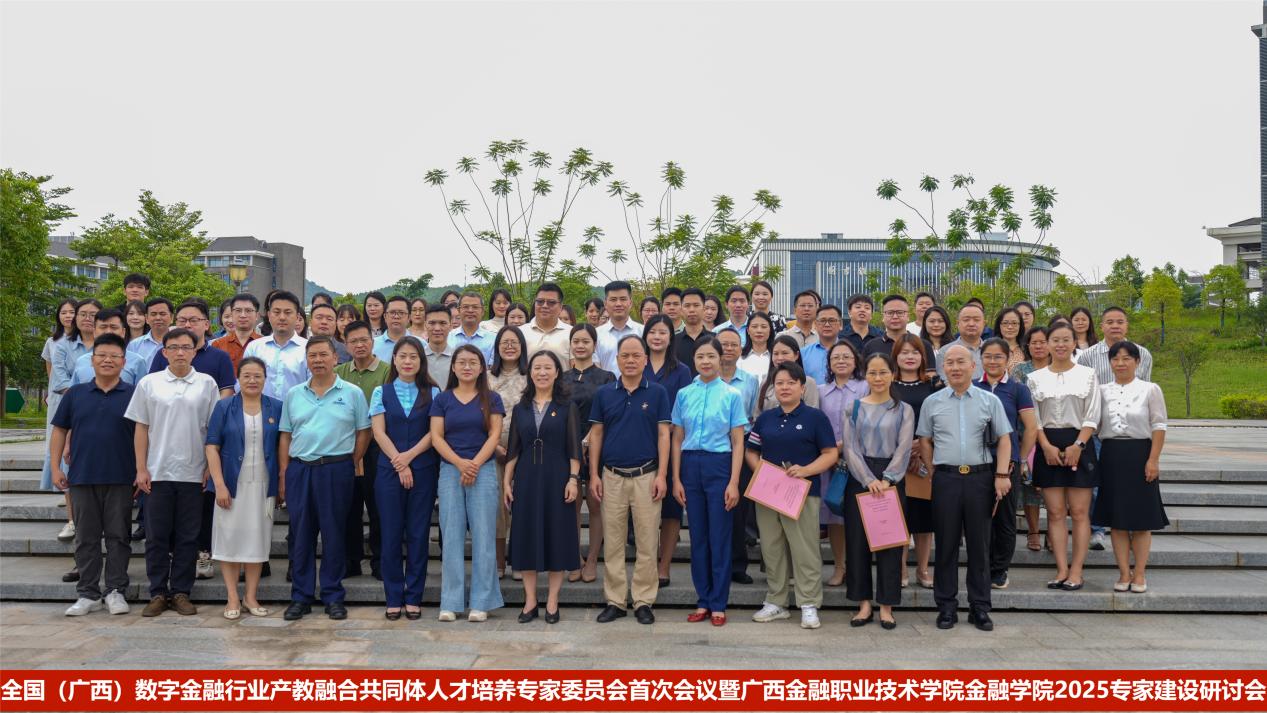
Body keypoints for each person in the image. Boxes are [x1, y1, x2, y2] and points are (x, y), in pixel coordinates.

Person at [917, 345, 1013, 631]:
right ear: (943, 368)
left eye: (961, 362)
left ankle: (979, 607)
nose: (955, 367)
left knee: (979, 545)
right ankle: (946, 607)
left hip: (980, 479)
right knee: (946, 545)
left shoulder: (989, 400)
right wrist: (933, 470)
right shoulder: (932, 402)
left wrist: (1001, 474)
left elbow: (1004, 439)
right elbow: (925, 440)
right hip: (946, 479)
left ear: (973, 366)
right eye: (950, 363)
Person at [126, 328, 221, 617]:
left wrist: (209, 467)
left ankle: (181, 592)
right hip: (157, 472)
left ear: (194, 351)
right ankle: (157, 592)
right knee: (156, 536)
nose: (180, 352)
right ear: (164, 352)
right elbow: (141, 427)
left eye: (186, 347)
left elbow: (213, 431)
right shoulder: (149, 383)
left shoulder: (207, 384)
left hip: (193, 473)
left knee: (188, 536)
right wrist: (141, 468)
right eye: (174, 347)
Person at [278, 336, 372, 621]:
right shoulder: (294, 394)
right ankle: (301, 596)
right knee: (301, 534)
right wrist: (284, 473)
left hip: (336, 469)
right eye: (312, 356)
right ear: (306, 361)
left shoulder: (352, 393)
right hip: (300, 469)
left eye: (323, 355)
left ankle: (332, 595)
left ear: (335, 358)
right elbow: (285, 435)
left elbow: (364, 431)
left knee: (334, 533)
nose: (318, 360)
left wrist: (352, 461)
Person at [746, 362, 838, 629]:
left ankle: (808, 603)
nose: (784, 388)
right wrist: (762, 471)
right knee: (771, 547)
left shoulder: (815, 418)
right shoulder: (766, 418)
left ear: (802, 387)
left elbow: (830, 453)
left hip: (802, 493)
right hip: (768, 492)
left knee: (804, 549)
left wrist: (806, 470)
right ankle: (776, 601)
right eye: (779, 383)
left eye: (790, 383)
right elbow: (752, 451)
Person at [49, 333, 136, 617]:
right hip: (82, 476)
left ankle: (115, 590)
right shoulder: (75, 394)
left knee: (118, 536)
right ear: (92, 359)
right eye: (102, 355)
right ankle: (88, 593)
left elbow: (145, 434)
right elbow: (60, 430)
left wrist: (142, 470)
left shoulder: (135, 394)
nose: (107, 360)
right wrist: (55, 467)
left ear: (123, 361)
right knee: (86, 537)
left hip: (122, 476)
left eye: (114, 356)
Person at [590, 335, 671, 625]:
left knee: (647, 541)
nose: (631, 360)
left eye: (637, 355)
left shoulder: (658, 392)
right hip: (611, 476)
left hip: (646, 475)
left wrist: (662, 475)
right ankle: (615, 600)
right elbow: (596, 435)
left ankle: (643, 600)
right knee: (613, 542)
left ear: (645, 360)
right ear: (617, 360)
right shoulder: (604, 394)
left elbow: (664, 435)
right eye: (625, 356)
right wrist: (594, 474)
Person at [669, 337, 747, 626]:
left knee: (719, 536)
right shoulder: (684, 394)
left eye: (711, 356)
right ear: (694, 360)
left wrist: (734, 482)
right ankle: (703, 599)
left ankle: (718, 603)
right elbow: (677, 438)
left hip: (719, 466)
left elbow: (738, 441)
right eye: (700, 356)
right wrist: (676, 478)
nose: (705, 361)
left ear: (720, 358)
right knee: (698, 537)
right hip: (690, 466)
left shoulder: (731, 395)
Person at [503, 351, 582, 624]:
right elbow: (513, 448)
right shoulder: (521, 408)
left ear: (557, 372)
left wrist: (573, 479)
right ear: (530, 373)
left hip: (557, 479)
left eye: (548, 368)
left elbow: (574, 447)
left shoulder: (567, 406)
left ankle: (552, 601)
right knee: (526, 537)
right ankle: (530, 601)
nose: (542, 372)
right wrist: (507, 482)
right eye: (537, 368)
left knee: (557, 537)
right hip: (526, 479)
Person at [430, 345, 505, 621]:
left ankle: (482, 602)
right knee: (451, 536)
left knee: (484, 536)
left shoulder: (492, 398)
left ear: (482, 367)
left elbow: (494, 435)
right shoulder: (443, 399)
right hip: (451, 470)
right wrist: (460, 463)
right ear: (453, 367)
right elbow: (436, 437)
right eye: (461, 362)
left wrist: (473, 464)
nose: (467, 367)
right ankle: (450, 602)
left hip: (483, 470)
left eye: (473, 362)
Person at [840, 353, 914, 630]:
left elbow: (904, 447)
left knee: (889, 543)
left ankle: (886, 605)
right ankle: (863, 604)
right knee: (857, 542)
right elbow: (850, 448)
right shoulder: (853, 407)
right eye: (872, 372)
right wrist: (868, 479)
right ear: (865, 375)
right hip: (859, 479)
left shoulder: (904, 409)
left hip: (891, 478)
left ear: (893, 374)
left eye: (883, 372)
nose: (878, 378)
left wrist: (888, 478)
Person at [369, 336, 440, 620]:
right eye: (403, 356)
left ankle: (414, 596)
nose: (408, 361)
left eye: (414, 357)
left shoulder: (433, 392)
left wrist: (408, 458)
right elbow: (378, 432)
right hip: (389, 471)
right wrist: (399, 463)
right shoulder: (381, 392)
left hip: (423, 470)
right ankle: (393, 596)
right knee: (390, 534)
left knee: (418, 534)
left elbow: (435, 434)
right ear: (394, 360)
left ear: (421, 361)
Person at [205, 357, 281, 620]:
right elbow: (211, 446)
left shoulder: (276, 407)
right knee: (230, 540)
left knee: (257, 541)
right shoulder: (224, 406)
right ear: (238, 378)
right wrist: (219, 485)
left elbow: (282, 445)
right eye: (247, 375)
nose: (252, 380)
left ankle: (250, 596)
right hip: (231, 485)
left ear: (265, 379)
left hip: (262, 485)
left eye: (258, 375)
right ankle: (232, 597)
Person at [1028, 323, 1102, 592]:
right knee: (1056, 512)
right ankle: (1061, 569)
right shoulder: (1035, 378)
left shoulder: (1088, 375)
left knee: (1080, 512)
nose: (1060, 345)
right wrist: (1045, 446)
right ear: (1047, 344)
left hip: (1079, 443)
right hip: (1047, 444)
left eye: (1065, 340)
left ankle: (1077, 571)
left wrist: (1079, 445)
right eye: (1055, 340)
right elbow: (1034, 418)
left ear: (1074, 344)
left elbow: (1093, 414)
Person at [1093, 341, 1169, 593]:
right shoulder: (1101, 391)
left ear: (1137, 362)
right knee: (1116, 520)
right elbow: (1093, 424)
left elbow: (1159, 425)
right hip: (1111, 455)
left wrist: (1153, 459)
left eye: (1126, 358)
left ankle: (1140, 573)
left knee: (1141, 520)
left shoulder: (1150, 389)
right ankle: (1124, 572)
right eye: (1115, 359)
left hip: (1140, 454)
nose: (1121, 363)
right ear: (1110, 363)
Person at [975, 338, 1038, 590]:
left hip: (1007, 464)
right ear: (981, 359)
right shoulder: (972, 386)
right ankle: (982, 566)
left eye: (998, 357)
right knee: (980, 518)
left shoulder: (1017, 389)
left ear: (1007, 359)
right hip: (977, 462)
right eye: (988, 356)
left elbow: (1030, 428)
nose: (993, 361)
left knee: (1005, 518)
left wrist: (1019, 457)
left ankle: (999, 569)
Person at [335, 320, 391, 581]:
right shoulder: (339, 372)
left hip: (377, 448)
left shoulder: (387, 371)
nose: (359, 345)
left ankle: (380, 561)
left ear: (372, 341)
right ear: (346, 345)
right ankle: (351, 560)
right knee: (349, 506)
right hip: (345, 447)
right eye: (353, 341)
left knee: (378, 506)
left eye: (364, 340)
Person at [48, 299, 100, 554]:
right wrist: (89, 398)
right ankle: (72, 519)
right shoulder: (62, 346)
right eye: (83, 314)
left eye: (93, 314)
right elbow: (60, 380)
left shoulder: (109, 345)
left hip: (106, 414)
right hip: (72, 413)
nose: (87, 318)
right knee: (71, 467)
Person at [564, 324, 615, 583]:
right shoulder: (561, 378)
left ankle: (593, 558)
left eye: (586, 341)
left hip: (598, 446)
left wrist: (588, 441)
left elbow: (610, 414)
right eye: (576, 341)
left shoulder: (607, 377)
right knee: (571, 503)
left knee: (595, 503)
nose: (580, 345)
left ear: (595, 345)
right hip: (566, 448)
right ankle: (574, 557)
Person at [643, 314, 691, 585]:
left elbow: (684, 409)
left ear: (671, 337)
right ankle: (648, 562)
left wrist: (670, 429)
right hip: (640, 443)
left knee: (671, 509)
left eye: (663, 332)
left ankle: (664, 564)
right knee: (645, 505)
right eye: (653, 332)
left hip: (673, 444)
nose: (657, 337)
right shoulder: (638, 364)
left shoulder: (681, 370)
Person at [891, 333, 941, 589]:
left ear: (923, 356)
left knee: (924, 520)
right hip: (894, 460)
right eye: (904, 352)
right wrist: (903, 448)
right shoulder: (888, 385)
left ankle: (923, 569)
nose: (909, 357)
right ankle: (900, 568)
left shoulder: (933, 386)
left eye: (915, 352)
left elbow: (941, 420)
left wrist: (922, 445)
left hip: (925, 458)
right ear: (895, 357)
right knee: (900, 517)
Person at [818, 339, 867, 586]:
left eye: (846, 356)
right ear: (829, 363)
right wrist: (830, 453)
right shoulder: (820, 391)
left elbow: (869, 423)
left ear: (855, 361)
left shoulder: (865, 388)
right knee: (835, 517)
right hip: (828, 463)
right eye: (835, 357)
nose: (841, 361)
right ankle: (840, 567)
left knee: (858, 517)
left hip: (859, 462)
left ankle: (858, 568)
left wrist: (839, 448)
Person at [715, 327, 759, 584]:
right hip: (713, 448)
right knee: (716, 507)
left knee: (738, 508)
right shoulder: (704, 379)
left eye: (734, 344)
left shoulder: (750, 381)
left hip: (741, 447)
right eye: (724, 344)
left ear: (741, 349)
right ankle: (716, 563)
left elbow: (753, 416)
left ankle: (737, 565)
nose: (729, 349)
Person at [488, 325, 529, 579]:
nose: (510, 346)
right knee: (497, 508)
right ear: (497, 347)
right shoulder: (486, 377)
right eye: (505, 342)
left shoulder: (530, 376)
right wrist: (493, 446)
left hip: (525, 450)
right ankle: (499, 560)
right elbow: (479, 413)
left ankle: (520, 561)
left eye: (514, 342)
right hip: (492, 448)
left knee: (522, 504)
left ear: (522, 346)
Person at [1010, 325, 1050, 551]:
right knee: (1029, 487)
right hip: (1026, 433)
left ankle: (1053, 532)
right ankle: (1033, 531)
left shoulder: (1059, 368)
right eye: (1034, 342)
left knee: (1053, 488)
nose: (1039, 346)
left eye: (1043, 342)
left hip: (1054, 434)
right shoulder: (1020, 371)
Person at [149, 299, 236, 396]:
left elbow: (226, 391)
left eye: (193, 320)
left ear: (206, 325)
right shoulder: (164, 354)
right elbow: (152, 386)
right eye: (182, 321)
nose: (187, 325)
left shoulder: (221, 357)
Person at [242, 291, 309, 401]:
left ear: (297, 317)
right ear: (269, 315)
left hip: (297, 410)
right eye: (277, 312)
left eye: (288, 312)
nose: (282, 317)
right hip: (260, 410)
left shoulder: (308, 349)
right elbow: (243, 383)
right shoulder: (254, 347)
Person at [69, 309, 148, 387]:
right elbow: (74, 392)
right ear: (94, 332)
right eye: (103, 327)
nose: (108, 331)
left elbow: (142, 393)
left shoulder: (137, 362)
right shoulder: (81, 361)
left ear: (123, 332)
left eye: (114, 327)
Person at [1078, 306, 1153, 384]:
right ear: (1102, 327)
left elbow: (1146, 387)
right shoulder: (1087, 356)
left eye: (1120, 322)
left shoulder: (1142, 354)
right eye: (1110, 322)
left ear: (1127, 326)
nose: (1115, 326)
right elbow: (1083, 387)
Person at [757, 335, 822, 413]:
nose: (780, 358)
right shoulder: (765, 382)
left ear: (796, 355)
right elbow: (757, 414)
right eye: (776, 354)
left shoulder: (808, 382)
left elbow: (812, 414)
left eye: (785, 353)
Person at [595, 280, 643, 374]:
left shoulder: (643, 331)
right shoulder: (596, 334)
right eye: (613, 300)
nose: (618, 304)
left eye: (623, 299)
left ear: (630, 303)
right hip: (605, 383)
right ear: (605, 304)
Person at [934, 303, 987, 381]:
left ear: (984, 324)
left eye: (976, 320)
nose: (971, 324)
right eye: (966, 320)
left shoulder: (992, 351)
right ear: (958, 323)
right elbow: (944, 381)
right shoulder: (945, 352)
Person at [524, 282, 571, 364]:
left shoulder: (571, 333)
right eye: (540, 301)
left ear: (560, 307)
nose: (545, 306)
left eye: (551, 302)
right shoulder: (521, 332)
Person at [211, 293, 261, 370]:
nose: (243, 315)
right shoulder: (218, 345)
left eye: (248, 310)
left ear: (257, 315)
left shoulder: (265, 344)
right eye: (238, 310)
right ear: (232, 314)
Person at [449, 292, 497, 364]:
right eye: (466, 307)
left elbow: (493, 367)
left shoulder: (493, 339)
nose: (470, 310)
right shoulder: (448, 338)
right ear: (458, 310)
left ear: (482, 311)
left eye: (475, 307)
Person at [126, 297, 173, 371]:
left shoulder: (181, 344)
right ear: (147, 318)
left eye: (162, 314)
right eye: (153, 314)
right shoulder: (134, 345)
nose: (158, 318)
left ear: (172, 318)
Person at [800, 304, 842, 385]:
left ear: (840, 324)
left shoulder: (850, 353)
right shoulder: (803, 354)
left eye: (832, 320)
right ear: (815, 325)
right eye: (822, 320)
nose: (827, 324)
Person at [674, 288, 712, 374]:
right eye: (687, 306)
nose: (691, 310)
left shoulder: (715, 339)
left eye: (696, 305)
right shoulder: (672, 342)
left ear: (704, 308)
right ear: (681, 310)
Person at [418, 303, 456, 388]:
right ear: (425, 325)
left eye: (443, 323)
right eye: (432, 323)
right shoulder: (418, 357)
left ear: (450, 326)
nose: (437, 328)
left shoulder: (457, 358)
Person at [863, 294, 910, 360]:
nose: (895, 317)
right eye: (890, 313)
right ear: (883, 317)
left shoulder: (920, 345)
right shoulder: (871, 346)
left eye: (900, 312)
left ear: (908, 316)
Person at [373, 296, 411, 363]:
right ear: (385, 316)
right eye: (392, 312)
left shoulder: (421, 344)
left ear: (409, 318)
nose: (396, 316)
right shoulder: (373, 345)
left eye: (401, 313)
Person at [739, 312, 774, 380]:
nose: (759, 331)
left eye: (764, 327)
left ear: (770, 330)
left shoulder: (777, 357)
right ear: (748, 330)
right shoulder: (739, 356)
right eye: (754, 327)